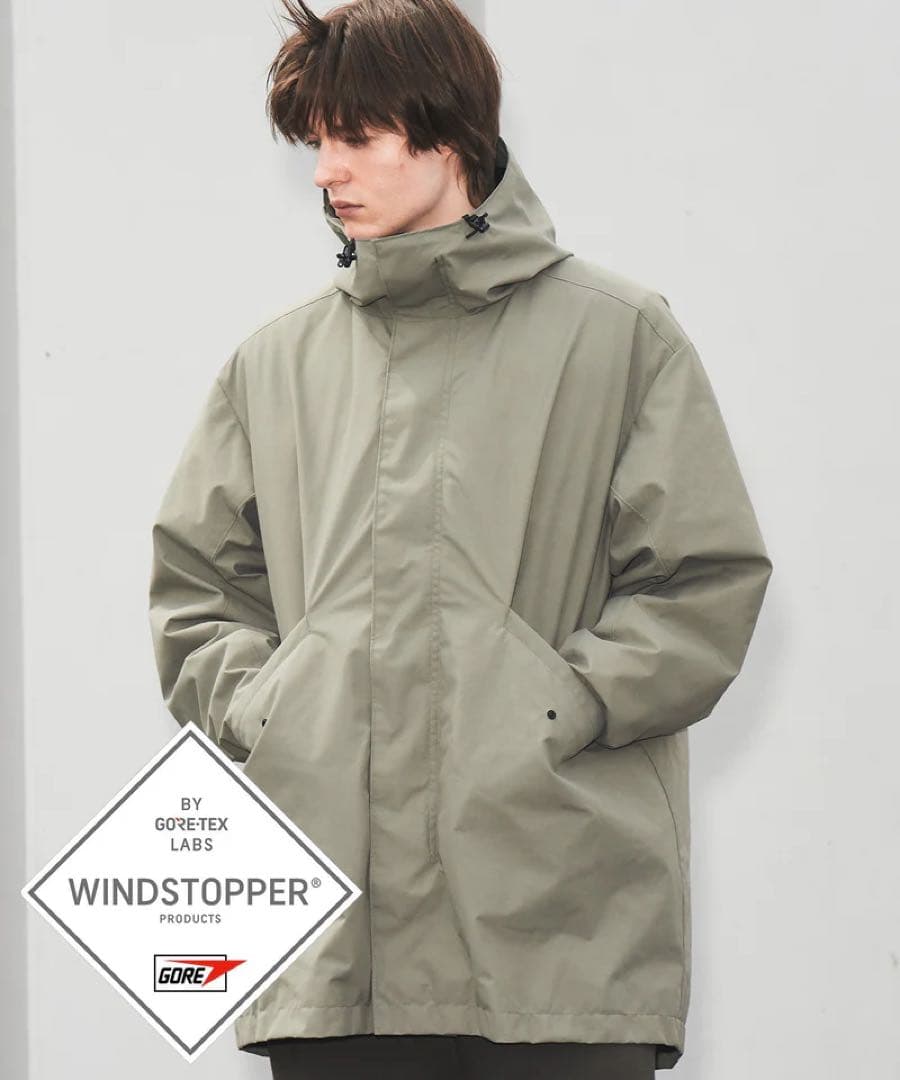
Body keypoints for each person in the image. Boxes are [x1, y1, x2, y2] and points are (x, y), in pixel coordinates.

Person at [147, 0, 774, 1076]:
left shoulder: (619, 337)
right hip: (335, 938)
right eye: (315, 144)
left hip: (554, 918)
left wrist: (558, 704)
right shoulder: (275, 364)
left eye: (355, 137)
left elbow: (702, 581)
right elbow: (197, 589)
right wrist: (271, 704)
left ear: (448, 134)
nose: (326, 173)